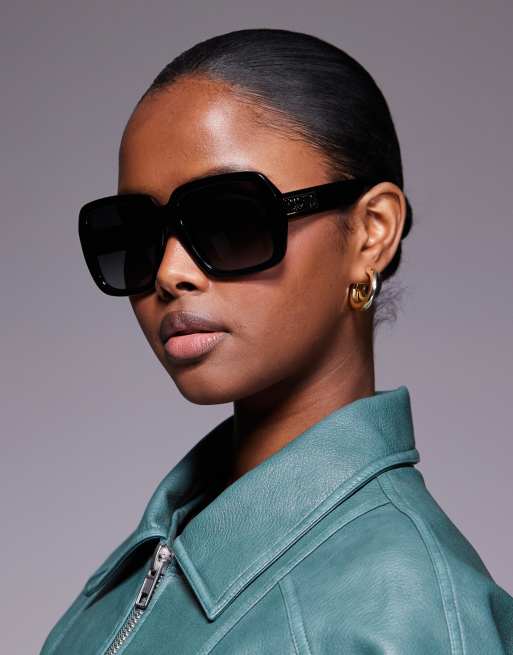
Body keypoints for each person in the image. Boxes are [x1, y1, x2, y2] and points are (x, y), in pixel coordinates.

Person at [40, 27, 513, 654]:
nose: (169, 273)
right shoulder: (155, 556)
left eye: (230, 220)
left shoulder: (405, 611)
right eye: (134, 234)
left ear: (371, 232)